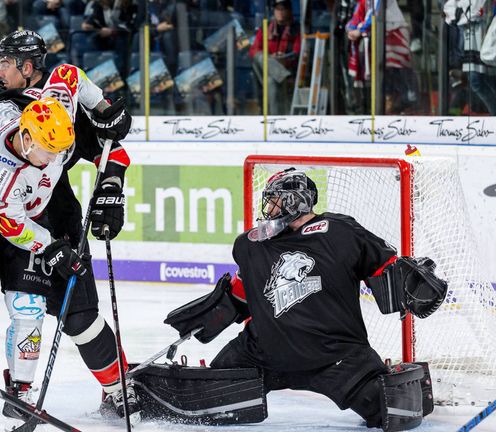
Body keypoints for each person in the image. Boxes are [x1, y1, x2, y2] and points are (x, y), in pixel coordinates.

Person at [0, 30, 133, 430]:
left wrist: (111, 188)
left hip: (49, 218)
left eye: (6, 62)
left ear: (27, 67)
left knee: (77, 314)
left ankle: (118, 388)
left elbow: (110, 147)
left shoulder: (59, 108)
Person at [162, 169, 448, 430]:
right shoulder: (250, 245)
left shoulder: (341, 232)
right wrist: (210, 316)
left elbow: (386, 269)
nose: (269, 208)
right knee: (207, 401)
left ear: (295, 201)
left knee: (393, 413)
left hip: (338, 356)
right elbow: (243, 293)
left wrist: (413, 283)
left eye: (275, 200)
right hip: (263, 353)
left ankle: (403, 383)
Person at [248, 0, 301, 115]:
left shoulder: (296, 28)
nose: (280, 12)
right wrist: (271, 58)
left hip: (286, 66)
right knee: (259, 56)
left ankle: (274, 119)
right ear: (274, 11)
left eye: (283, 9)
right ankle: (281, 75)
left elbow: (297, 52)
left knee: (271, 82)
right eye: (278, 9)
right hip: (267, 68)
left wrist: (284, 58)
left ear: (289, 11)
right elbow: (254, 50)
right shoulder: (266, 26)